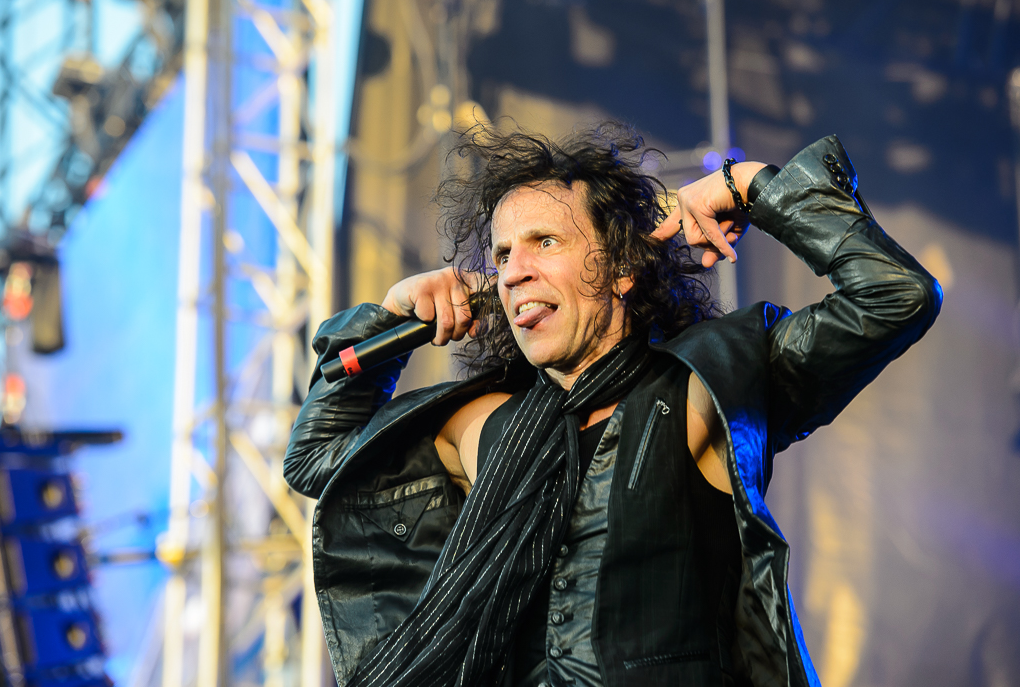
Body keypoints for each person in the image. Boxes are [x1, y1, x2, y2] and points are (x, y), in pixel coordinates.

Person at [285, 124, 941, 687]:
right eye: (503, 254)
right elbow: (317, 458)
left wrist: (748, 184)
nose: (513, 271)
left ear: (623, 267)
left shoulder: (708, 385)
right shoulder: (486, 426)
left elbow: (896, 296)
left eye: (545, 242)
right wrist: (391, 319)